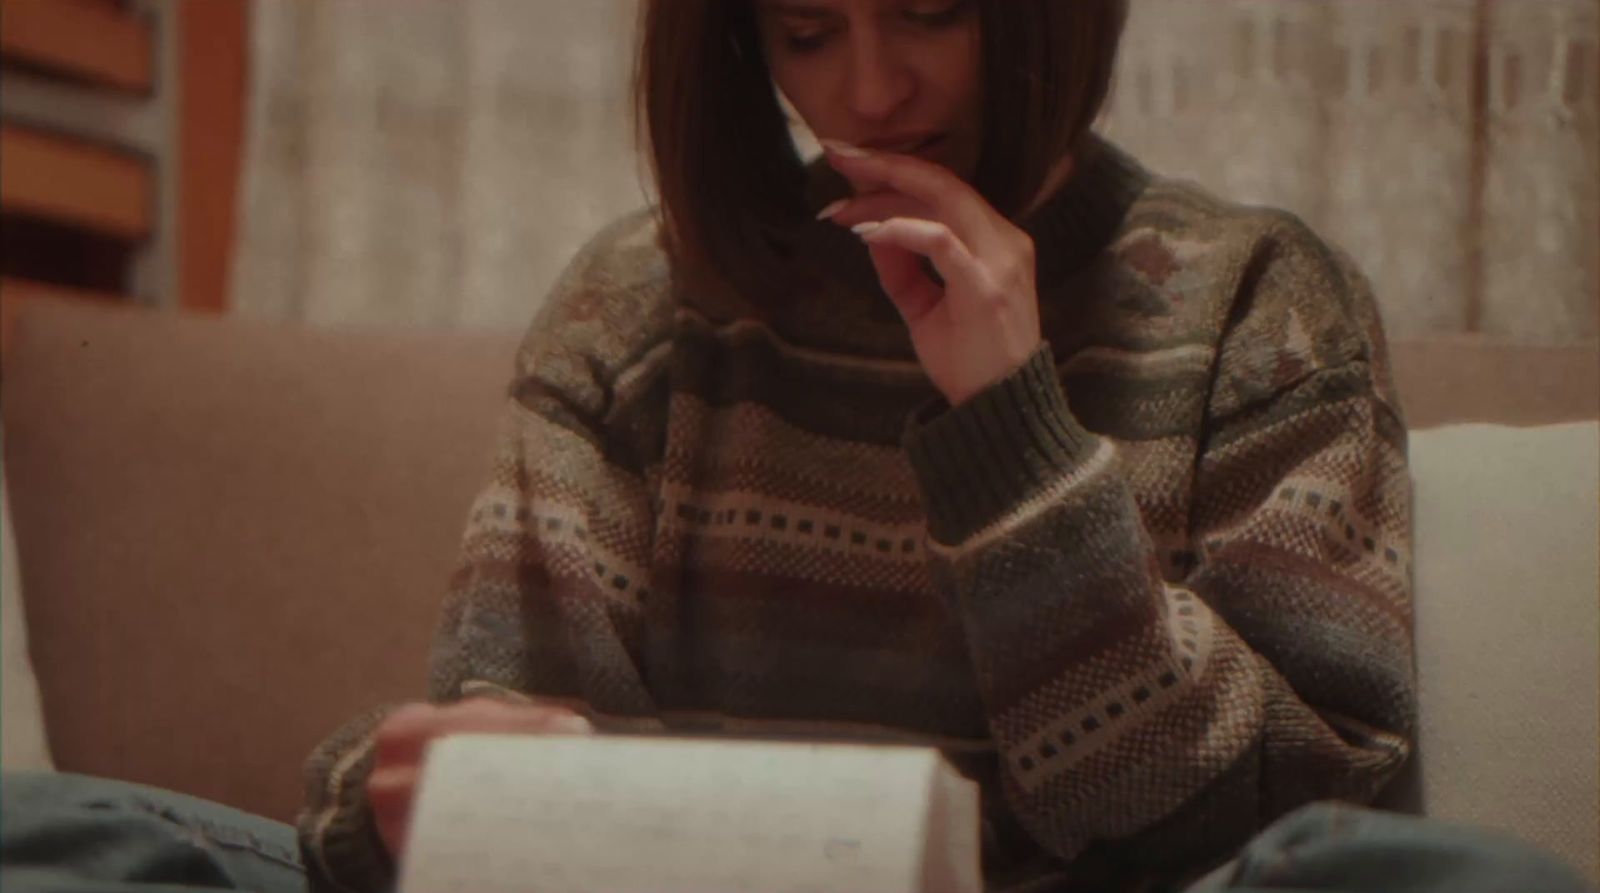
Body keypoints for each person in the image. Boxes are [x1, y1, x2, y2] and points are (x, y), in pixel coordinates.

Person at [2, 2, 1593, 893]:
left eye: (929, 12)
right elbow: (511, 763)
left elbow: (1309, 812)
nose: (871, 92)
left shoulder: (1260, 302)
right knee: (44, 831)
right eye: (808, 27)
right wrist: (395, 796)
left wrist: (1015, 433)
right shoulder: (642, 306)